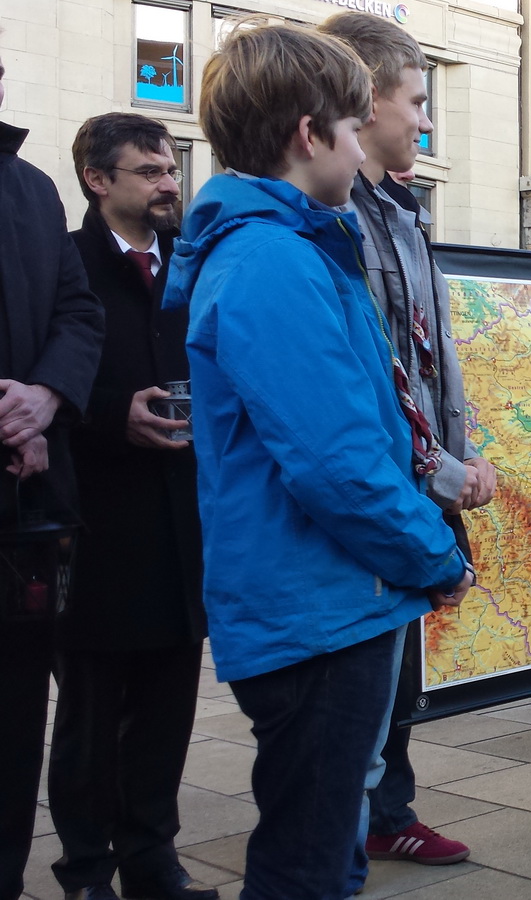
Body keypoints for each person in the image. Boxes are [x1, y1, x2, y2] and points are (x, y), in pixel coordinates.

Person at [163, 23, 474, 897]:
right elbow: (339, 463)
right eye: (349, 126)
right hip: (318, 609)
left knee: (326, 848)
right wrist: (435, 555)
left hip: (330, 601)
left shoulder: (297, 250)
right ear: (310, 136)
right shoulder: (273, 261)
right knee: (307, 863)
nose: (362, 141)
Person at [317, 12, 494, 879]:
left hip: (419, 487)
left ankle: (385, 815)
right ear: (364, 99)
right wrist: (447, 472)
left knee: (399, 677)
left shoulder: (399, 210)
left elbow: (427, 358)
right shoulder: (325, 224)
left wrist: (456, 457)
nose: (425, 121)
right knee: (351, 695)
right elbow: (371, 385)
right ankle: (340, 842)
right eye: (415, 100)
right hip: (384, 493)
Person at [49, 113, 213, 900]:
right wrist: (118, 415)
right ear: (97, 179)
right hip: (95, 529)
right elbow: (42, 380)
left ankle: (154, 863)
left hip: (184, 528)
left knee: (164, 716)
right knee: (89, 722)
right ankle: (86, 872)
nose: (168, 183)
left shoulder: (192, 265)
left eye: (171, 169)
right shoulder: (65, 264)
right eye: (148, 172)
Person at [0, 47, 106, 900]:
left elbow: (76, 310)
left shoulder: (30, 189)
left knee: (13, 729)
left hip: (25, 516)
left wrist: (45, 394)